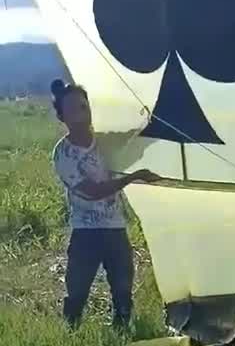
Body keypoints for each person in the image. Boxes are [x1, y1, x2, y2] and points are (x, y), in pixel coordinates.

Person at [51, 78, 160, 328]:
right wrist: (134, 177)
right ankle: (71, 335)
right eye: (73, 110)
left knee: (123, 290)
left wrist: (155, 123)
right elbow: (92, 192)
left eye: (84, 107)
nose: (81, 114)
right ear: (62, 117)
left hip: (115, 228)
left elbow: (135, 142)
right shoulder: (63, 153)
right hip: (85, 232)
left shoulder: (104, 142)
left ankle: (122, 333)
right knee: (77, 292)